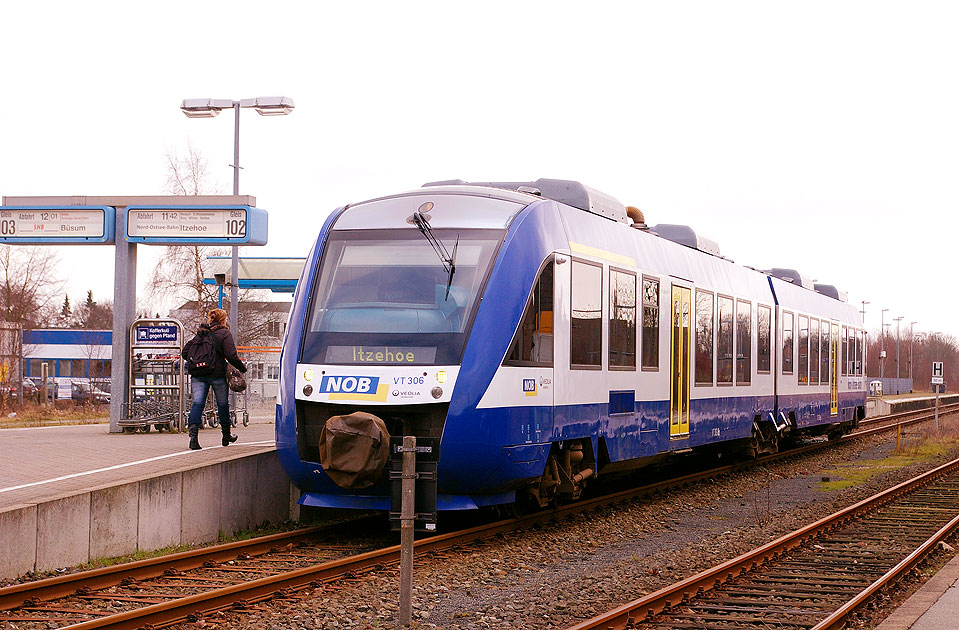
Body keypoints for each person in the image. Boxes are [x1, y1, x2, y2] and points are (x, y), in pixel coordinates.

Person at [187, 308, 247, 450]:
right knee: (222, 404)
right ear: (223, 320)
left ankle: (193, 438)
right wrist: (242, 369)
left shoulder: (201, 333)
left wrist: (198, 362)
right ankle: (226, 436)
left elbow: (185, 352)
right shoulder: (224, 333)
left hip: (198, 374)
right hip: (217, 374)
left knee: (197, 403)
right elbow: (231, 355)